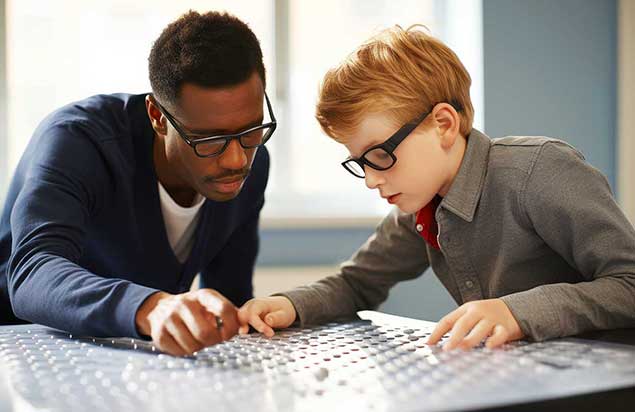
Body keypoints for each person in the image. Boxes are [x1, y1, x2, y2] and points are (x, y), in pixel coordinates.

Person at [237, 25, 635, 351]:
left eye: (379, 154)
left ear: (443, 124)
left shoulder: (539, 171)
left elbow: (629, 283)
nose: (372, 178)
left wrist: (517, 312)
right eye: (360, 163)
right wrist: (289, 303)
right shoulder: (420, 207)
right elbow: (357, 284)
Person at [0, 11, 275, 356]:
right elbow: (31, 273)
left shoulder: (253, 161)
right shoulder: (78, 141)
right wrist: (150, 307)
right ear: (158, 117)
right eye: (208, 139)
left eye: (250, 130)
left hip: (132, 359)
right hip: (23, 349)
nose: (236, 160)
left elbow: (229, 298)